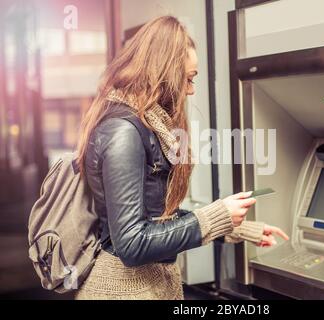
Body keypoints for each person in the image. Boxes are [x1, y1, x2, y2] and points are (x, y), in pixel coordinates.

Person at [74, 15, 288, 300]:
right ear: (162, 73)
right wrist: (214, 217)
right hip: (122, 291)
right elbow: (131, 243)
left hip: (148, 287)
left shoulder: (145, 125)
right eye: (188, 78)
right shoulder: (123, 131)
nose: (191, 89)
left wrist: (234, 226)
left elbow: (156, 218)